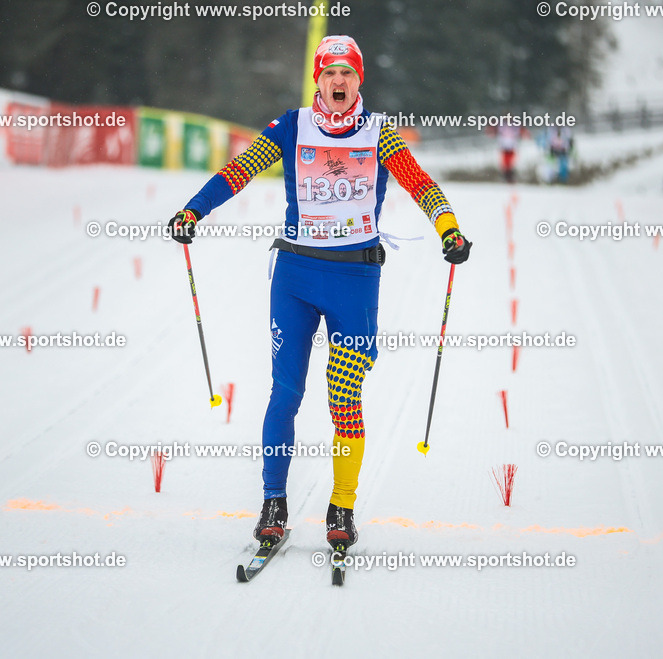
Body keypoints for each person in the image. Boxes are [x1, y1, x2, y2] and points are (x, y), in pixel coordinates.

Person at [168, 35, 471, 549]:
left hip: (354, 281)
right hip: (296, 276)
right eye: (329, 72)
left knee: (344, 398)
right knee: (285, 391)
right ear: (318, 80)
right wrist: (193, 210)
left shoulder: (380, 133)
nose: (338, 81)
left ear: (358, 80)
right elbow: (239, 171)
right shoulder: (292, 126)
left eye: (347, 72)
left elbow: (420, 183)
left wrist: (449, 229)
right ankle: (273, 502)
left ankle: (342, 506)